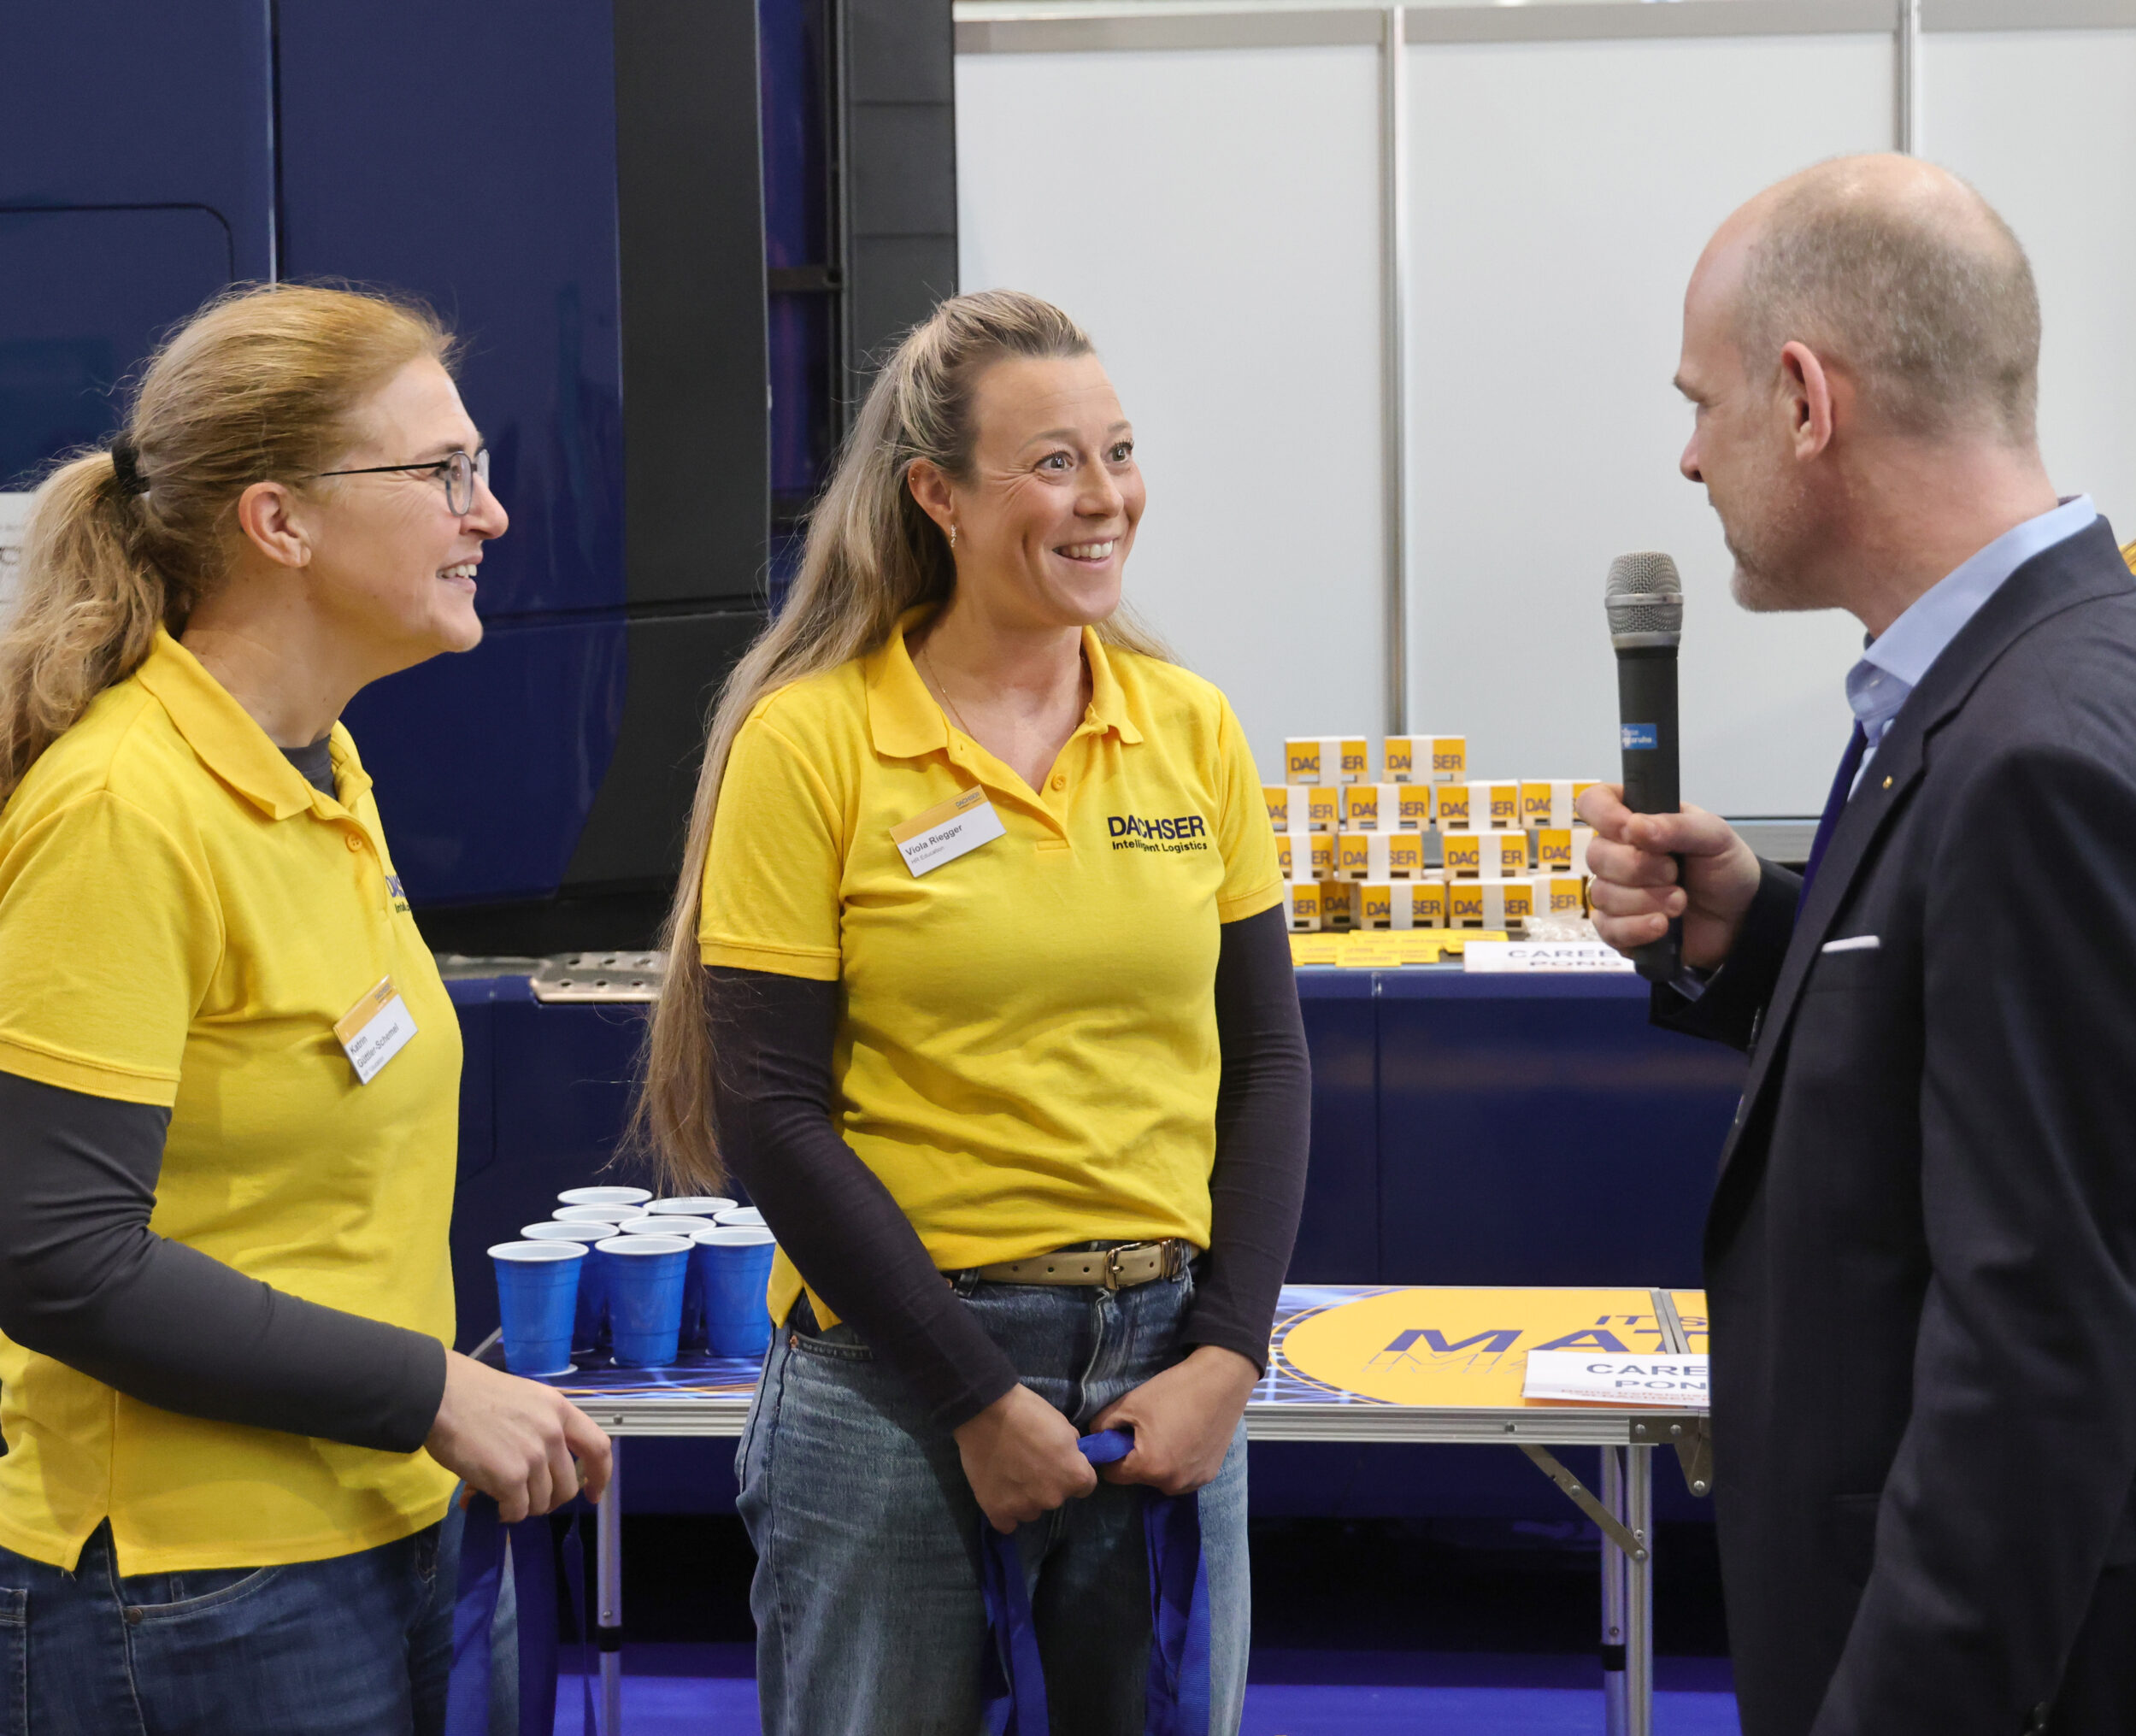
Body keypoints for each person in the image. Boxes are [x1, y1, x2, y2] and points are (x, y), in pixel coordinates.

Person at [638, 288, 1310, 1733]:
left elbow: (1266, 1063)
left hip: (1164, 1370)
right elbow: (769, 1110)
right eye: (1053, 463)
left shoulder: (1189, 726)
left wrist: (1228, 1356)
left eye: (1118, 453)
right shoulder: (812, 739)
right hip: (898, 1380)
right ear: (936, 495)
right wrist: (972, 1397)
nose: (1104, 497)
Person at [1582, 156, 2136, 1734]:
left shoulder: (2037, 751)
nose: (1690, 457)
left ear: (1805, 400)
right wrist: (1767, 932)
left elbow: (2038, 1354)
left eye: (1704, 404)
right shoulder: (2035, 680)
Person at [0, 283, 613, 1734]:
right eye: (443, 472)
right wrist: (431, 1392)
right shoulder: (125, 806)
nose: (490, 513)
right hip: (189, 1585)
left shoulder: (320, 768)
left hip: (372, 1526)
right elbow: (53, 1255)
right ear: (278, 521)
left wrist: (418, 1412)